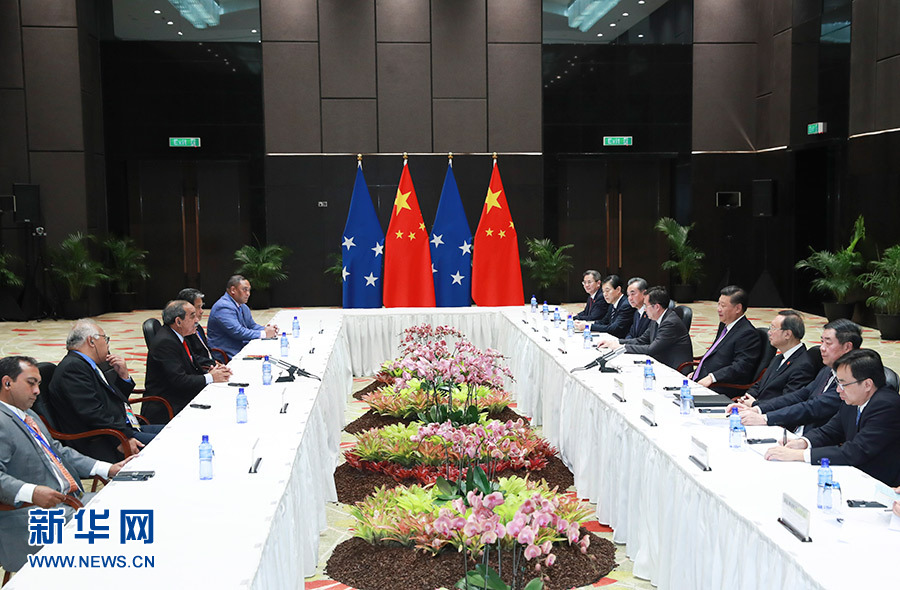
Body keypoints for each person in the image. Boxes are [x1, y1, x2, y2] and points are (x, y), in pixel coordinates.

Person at [0, 356, 132, 571]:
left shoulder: (28, 414)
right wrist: (32, 492)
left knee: (129, 505)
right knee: (121, 528)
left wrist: (108, 468)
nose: (37, 391)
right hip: (32, 516)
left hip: (69, 501)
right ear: (7, 383)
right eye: (31, 383)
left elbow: (59, 452)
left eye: (38, 384)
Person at [765, 349, 900, 486]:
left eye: (843, 384)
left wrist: (799, 455)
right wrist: (803, 442)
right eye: (837, 383)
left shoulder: (887, 405)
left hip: (881, 484)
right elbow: (830, 431)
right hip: (854, 474)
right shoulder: (854, 398)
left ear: (867, 384)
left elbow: (856, 451)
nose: (838, 389)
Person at [46, 320, 163, 463]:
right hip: (104, 439)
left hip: (122, 428)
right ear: (91, 341)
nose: (107, 344)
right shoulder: (73, 368)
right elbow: (93, 413)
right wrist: (123, 438)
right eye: (105, 339)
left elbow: (112, 400)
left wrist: (123, 377)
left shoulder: (88, 364)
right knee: (174, 443)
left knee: (177, 431)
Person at [731, 318, 862, 433]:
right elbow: (799, 395)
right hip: (796, 432)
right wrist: (758, 409)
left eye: (828, 343)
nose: (822, 348)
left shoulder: (853, 380)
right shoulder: (827, 370)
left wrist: (766, 418)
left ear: (847, 347)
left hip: (815, 438)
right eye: (822, 342)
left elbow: (813, 407)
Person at [143, 301, 232, 423]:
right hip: (168, 407)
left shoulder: (179, 336)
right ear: (178, 321)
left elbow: (191, 365)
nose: (197, 320)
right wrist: (210, 377)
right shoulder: (165, 343)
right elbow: (179, 380)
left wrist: (212, 369)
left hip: (182, 396)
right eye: (192, 316)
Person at [597, 286, 693, 370]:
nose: (645, 309)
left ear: (657, 307)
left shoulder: (670, 323)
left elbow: (651, 349)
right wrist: (616, 342)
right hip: (661, 362)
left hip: (675, 369)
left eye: (646, 305)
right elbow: (641, 340)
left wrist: (622, 348)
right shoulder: (656, 318)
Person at [731, 310, 815, 403]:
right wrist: (747, 397)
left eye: (773, 328)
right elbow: (760, 384)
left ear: (787, 334)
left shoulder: (803, 365)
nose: (769, 332)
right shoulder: (778, 358)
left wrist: (755, 404)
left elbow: (787, 401)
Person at [691, 285, 761, 388]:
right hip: (703, 379)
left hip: (721, 386)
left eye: (723, 306)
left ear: (738, 308)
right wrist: (698, 372)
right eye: (718, 304)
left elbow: (741, 367)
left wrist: (712, 377)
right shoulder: (724, 325)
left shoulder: (748, 334)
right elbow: (714, 354)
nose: (718, 309)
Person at [207, 275, 278, 360]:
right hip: (228, 353)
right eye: (244, 290)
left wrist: (267, 329)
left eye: (249, 290)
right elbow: (238, 332)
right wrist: (264, 334)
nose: (248, 294)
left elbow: (252, 325)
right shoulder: (223, 307)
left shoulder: (242, 305)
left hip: (240, 346)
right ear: (233, 290)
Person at [177, 287, 216, 368]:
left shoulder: (197, 326)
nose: (202, 311)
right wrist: (212, 364)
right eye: (198, 307)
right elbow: (191, 357)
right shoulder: (183, 330)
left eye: (202, 307)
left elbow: (206, 349)